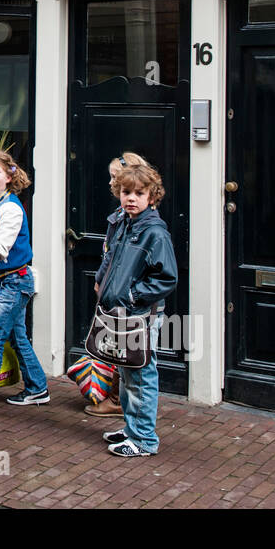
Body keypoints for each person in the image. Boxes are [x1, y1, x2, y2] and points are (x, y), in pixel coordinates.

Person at [96, 160, 177, 458]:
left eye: (138, 193)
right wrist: (101, 282)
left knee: (141, 373)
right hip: (122, 312)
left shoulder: (154, 233)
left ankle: (143, 439)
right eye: (126, 192)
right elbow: (111, 258)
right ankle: (132, 428)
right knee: (128, 371)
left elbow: (166, 277)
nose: (131, 198)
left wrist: (131, 296)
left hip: (140, 313)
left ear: (152, 197)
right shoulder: (123, 224)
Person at [0, 148, 49, 412]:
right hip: (5, 282)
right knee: (17, 338)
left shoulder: (11, 209)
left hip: (16, 282)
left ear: (8, 177)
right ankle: (38, 388)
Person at [84, 151, 152, 418]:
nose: (112, 185)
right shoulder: (122, 217)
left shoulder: (142, 224)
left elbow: (115, 257)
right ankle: (123, 408)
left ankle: (133, 419)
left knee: (134, 360)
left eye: (117, 179)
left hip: (132, 303)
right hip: (119, 294)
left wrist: (127, 292)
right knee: (118, 349)